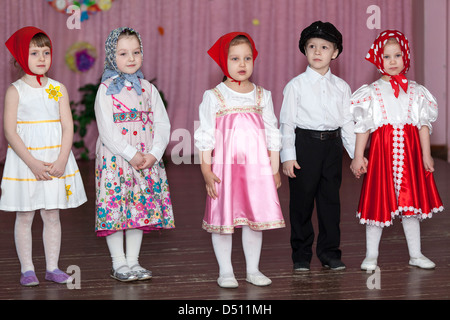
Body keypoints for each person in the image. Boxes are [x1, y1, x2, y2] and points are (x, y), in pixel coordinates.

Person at [194, 32, 285, 288]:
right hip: (225, 169)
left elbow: (272, 131)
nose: (242, 64)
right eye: (235, 58)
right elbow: (206, 135)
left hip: (257, 169)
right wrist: (205, 169)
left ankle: (253, 269)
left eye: (247, 58)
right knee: (223, 220)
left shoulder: (261, 95)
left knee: (254, 220)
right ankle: (225, 271)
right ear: (224, 62)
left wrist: (275, 169)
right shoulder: (214, 96)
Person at [350, 30, 444, 271]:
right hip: (382, 154)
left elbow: (423, 125)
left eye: (397, 55)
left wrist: (426, 154)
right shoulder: (371, 92)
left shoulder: (416, 91)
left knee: (410, 204)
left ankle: (416, 253)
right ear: (377, 60)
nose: (392, 61)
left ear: (405, 57)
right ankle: (371, 255)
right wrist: (359, 155)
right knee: (377, 202)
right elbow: (364, 127)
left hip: (410, 154)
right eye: (386, 57)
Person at [0, 26, 87, 286]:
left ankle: (52, 267)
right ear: (19, 57)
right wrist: (32, 163)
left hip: (54, 159)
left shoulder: (57, 89)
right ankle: (27, 269)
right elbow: (9, 131)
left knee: (52, 214)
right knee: (25, 215)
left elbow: (68, 126)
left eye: (46, 52)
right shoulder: (15, 91)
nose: (41, 58)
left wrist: (61, 159)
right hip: (26, 162)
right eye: (34, 52)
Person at [94, 27, 174, 282]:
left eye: (136, 52)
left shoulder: (148, 89)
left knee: (138, 208)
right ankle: (118, 263)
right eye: (123, 53)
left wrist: (154, 153)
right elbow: (107, 130)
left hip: (145, 161)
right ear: (111, 57)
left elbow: (162, 124)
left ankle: (133, 261)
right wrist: (130, 154)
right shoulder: (105, 90)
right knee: (116, 209)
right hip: (116, 161)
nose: (131, 58)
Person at [280, 21, 355, 272]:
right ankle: (301, 255)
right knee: (301, 203)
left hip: (332, 148)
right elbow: (287, 124)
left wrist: (356, 156)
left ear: (335, 53)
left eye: (324, 47)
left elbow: (347, 123)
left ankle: (329, 252)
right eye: (311, 46)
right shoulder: (295, 86)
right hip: (305, 146)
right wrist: (288, 157)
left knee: (330, 202)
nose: (317, 51)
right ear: (304, 50)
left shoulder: (342, 87)